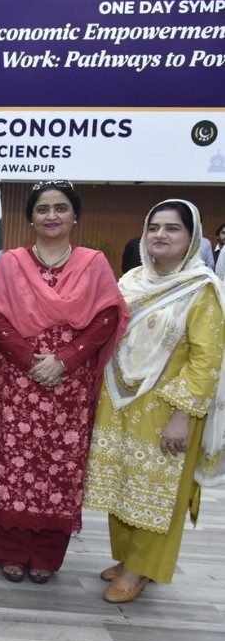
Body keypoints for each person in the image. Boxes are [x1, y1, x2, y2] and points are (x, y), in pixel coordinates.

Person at [0, 181, 128, 584]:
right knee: (10, 466)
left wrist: (65, 361)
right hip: (15, 385)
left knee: (58, 469)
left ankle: (46, 556)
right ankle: (10, 551)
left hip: (68, 388)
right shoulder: (12, 263)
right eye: (43, 209)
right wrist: (30, 360)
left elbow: (107, 316)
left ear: (75, 216)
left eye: (60, 208)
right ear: (31, 218)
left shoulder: (93, 264)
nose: (51, 216)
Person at [84, 200, 225, 603]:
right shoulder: (131, 281)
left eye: (173, 228)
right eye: (154, 227)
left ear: (192, 238)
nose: (160, 235)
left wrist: (183, 415)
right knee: (122, 485)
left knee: (157, 492)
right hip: (121, 401)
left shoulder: (202, 289)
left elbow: (207, 360)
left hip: (169, 408)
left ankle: (140, 569)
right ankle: (127, 558)